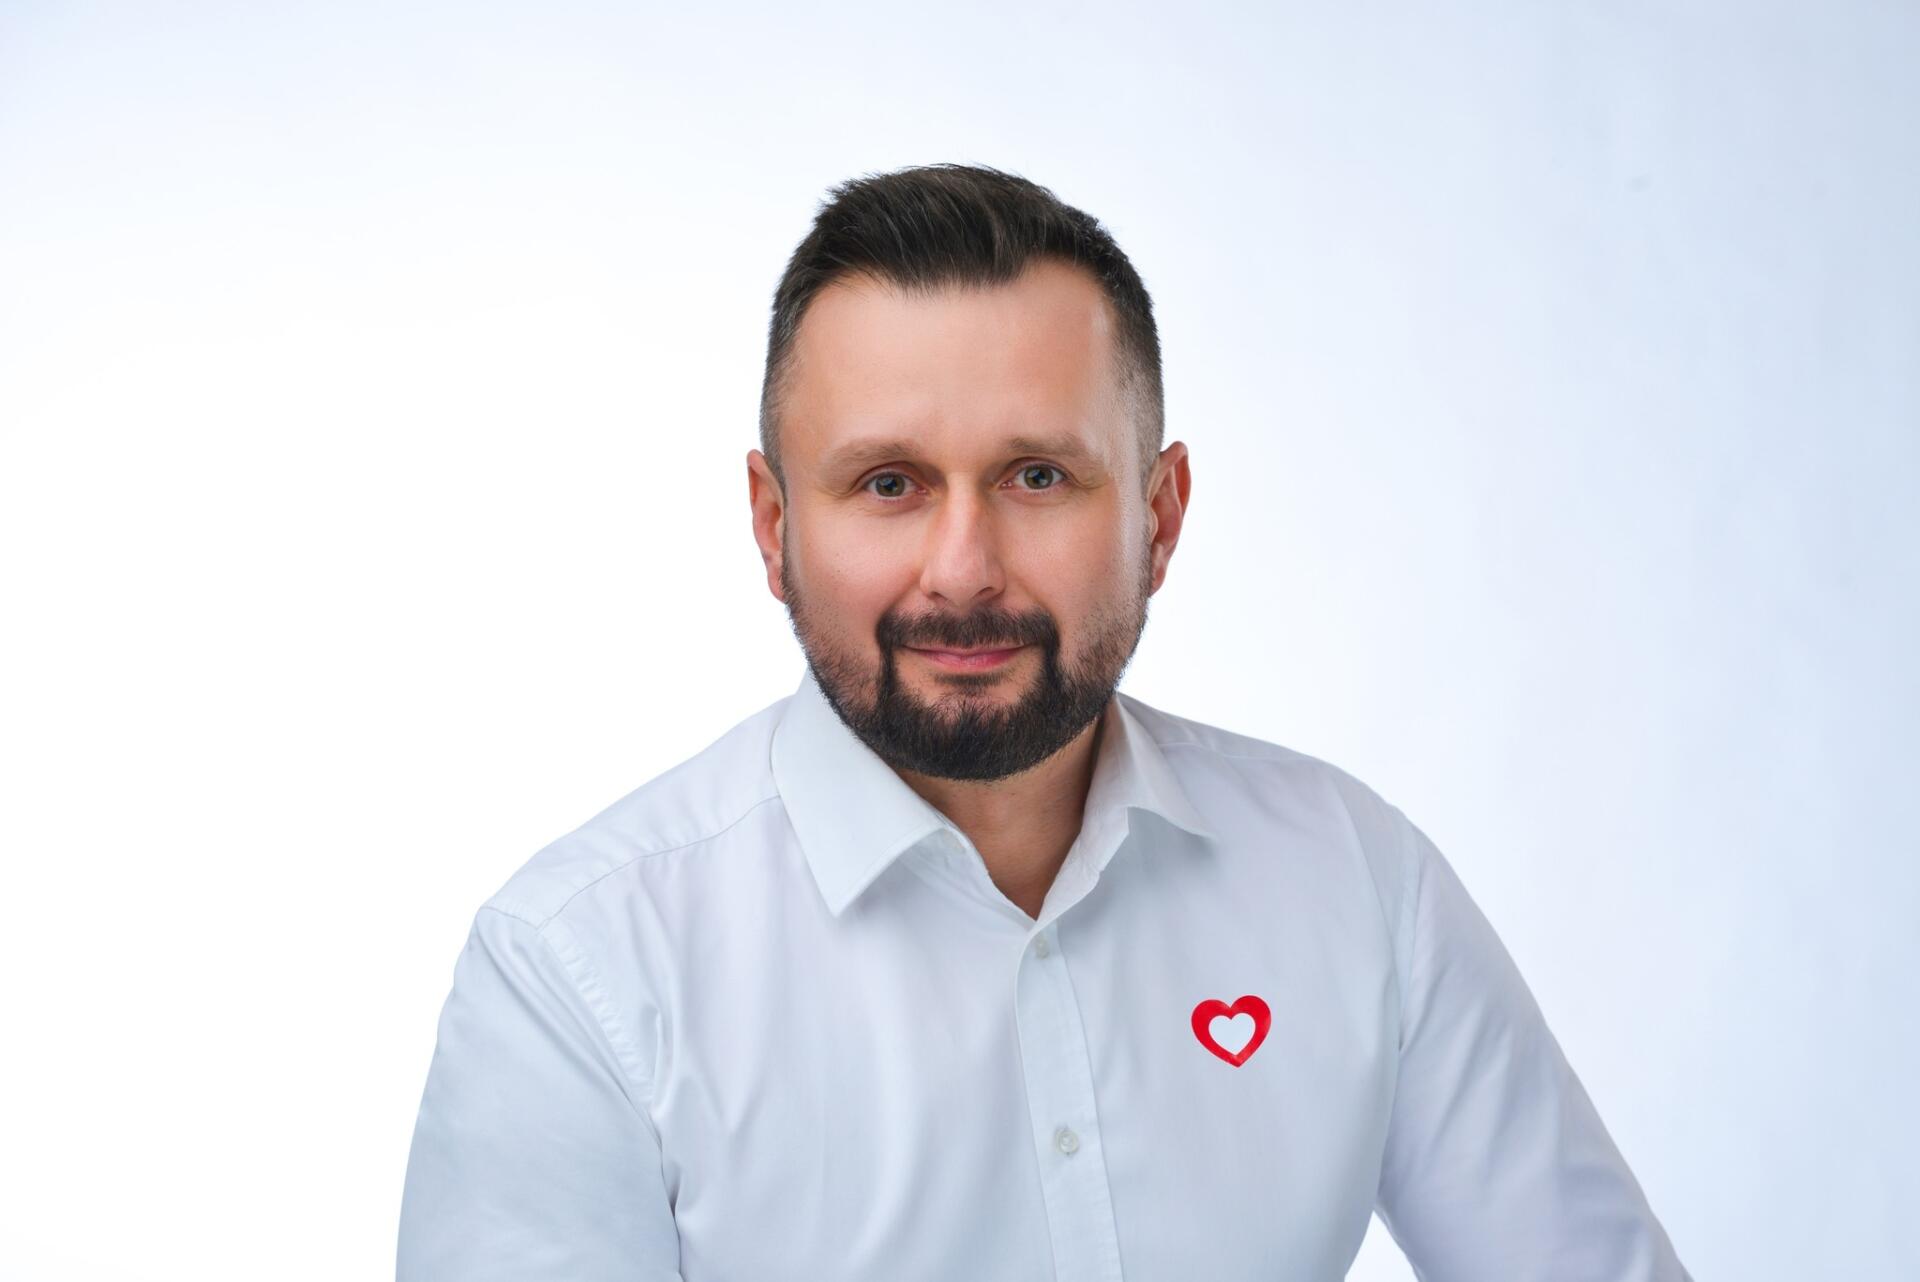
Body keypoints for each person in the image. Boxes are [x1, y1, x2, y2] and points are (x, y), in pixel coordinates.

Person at [395, 162, 1692, 1281]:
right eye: (889, 483)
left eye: (1036, 476)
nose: (963, 571)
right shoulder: (580, 970)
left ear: (1159, 517)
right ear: (773, 525)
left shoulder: (1355, 882)